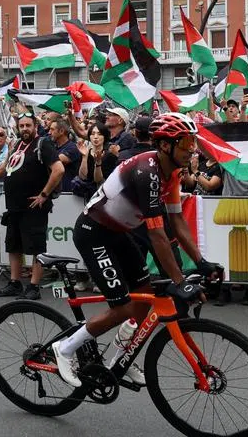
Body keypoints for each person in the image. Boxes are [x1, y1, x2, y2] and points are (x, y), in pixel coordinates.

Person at [51, 114, 216, 388]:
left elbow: (176, 221)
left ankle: (119, 358)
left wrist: (202, 262)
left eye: (194, 141)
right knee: (122, 306)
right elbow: (157, 233)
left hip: (117, 233)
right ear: (165, 146)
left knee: (146, 297)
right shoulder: (147, 172)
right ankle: (66, 348)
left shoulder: (172, 172)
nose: (193, 149)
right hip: (93, 233)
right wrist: (179, 281)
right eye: (187, 142)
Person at [0, 114, 64, 300]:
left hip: (33, 206)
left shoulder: (43, 144)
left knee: (36, 247)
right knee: (13, 246)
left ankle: (33, 287)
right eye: (21, 125)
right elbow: (4, 169)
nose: (24, 128)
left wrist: (43, 194)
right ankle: (15, 283)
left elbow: (59, 170)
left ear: (35, 126)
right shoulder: (16, 144)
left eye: (28, 125)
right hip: (14, 206)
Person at [48, 116, 81, 193]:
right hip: (55, 191)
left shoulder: (72, 148)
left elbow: (55, 161)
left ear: (61, 131)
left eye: (52, 129)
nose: (49, 132)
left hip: (67, 193)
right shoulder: (53, 146)